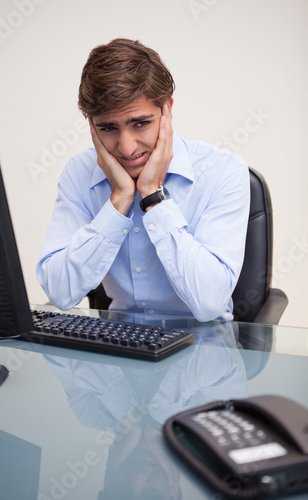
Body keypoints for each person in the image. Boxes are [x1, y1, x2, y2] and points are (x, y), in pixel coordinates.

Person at [36, 38, 250, 321]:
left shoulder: (223, 171)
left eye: (140, 123)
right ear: (92, 126)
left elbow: (209, 303)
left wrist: (152, 195)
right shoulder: (80, 173)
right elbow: (60, 293)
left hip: (206, 349)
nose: (127, 147)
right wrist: (119, 200)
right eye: (108, 128)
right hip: (119, 348)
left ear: (167, 110)